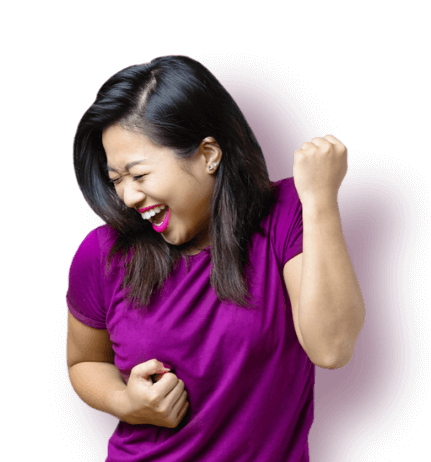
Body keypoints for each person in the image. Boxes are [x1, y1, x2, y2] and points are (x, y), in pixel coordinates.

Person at [67, 55, 316, 461]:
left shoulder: (287, 217)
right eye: (117, 181)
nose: (127, 198)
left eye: (139, 175)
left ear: (208, 154)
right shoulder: (101, 253)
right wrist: (126, 402)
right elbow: (83, 362)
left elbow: (332, 347)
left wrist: (321, 198)